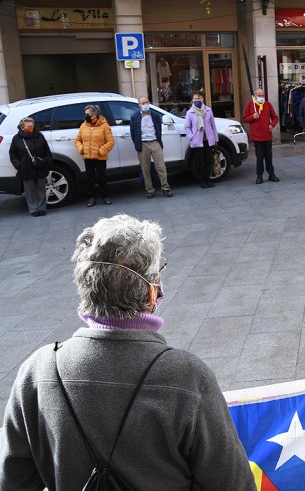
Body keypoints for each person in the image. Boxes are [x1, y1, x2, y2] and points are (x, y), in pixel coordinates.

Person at [0, 214, 256, 490]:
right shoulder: (188, 377)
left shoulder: (37, 371)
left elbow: (13, 482)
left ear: (85, 287)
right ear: (150, 294)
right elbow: (235, 484)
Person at [9, 117, 52, 216]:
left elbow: (47, 151)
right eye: (28, 126)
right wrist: (19, 165)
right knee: (29, 190)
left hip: (40, 167)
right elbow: (13, 154)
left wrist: (45, 162)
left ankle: (42, 208)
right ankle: (33, 209)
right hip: (26, 168)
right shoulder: (17, 138)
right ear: (22, 128)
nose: (31, 127)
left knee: (41, 189)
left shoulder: (39, 136)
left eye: (32, 126)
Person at [130, 97, 172, 198]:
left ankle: (165, 188)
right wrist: (137, 144)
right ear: (139, 105)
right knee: (145, 169)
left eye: (146, 102)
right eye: (142, 103)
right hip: (143, 144)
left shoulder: (155, 115)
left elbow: (158, 128)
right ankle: (149, 190)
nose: (145, 104)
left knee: (161, 167)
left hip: (155, 142)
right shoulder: (134, 117)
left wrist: (158, 141)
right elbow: (133, 133)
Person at [75, 105, 114, 207]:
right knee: (90, 178)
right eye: (85, 114)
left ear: (95, 114)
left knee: (102, 177)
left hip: (100, 157)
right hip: (88, 157)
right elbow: (77, 140)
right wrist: (81, 149)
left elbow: (111, 142)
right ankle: (91, 197)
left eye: (88, 113)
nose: (86, 116)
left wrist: (101, 151)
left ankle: (105, 196)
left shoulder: (104, 125)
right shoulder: (83, 126)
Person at [242, 88, 279, 185]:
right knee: (259, 157)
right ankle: (259, 175)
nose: (261, 97)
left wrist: (272, 124)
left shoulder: (268, 105)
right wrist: (252, 117)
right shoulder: (250, 105)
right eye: (259, 96)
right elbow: (245, 118)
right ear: (255, 96)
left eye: (263, 96)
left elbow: (275, 117)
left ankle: (271, 174)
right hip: (257, 137)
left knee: (269, 157)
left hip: (267, 135)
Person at [184, 92, 219, 189]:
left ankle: (208, 180)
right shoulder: (190, 112)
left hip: (208, 140)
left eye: (198, 99)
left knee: (208, 161)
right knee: (200, 162)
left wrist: (215, 138)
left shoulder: (208, 110)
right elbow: (187, 127)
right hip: (197, 141)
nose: (197, 100)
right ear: (192, 100)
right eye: (195, 99)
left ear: (202, 99)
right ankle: (202, 181)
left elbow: (213, 126)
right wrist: (191, 136)